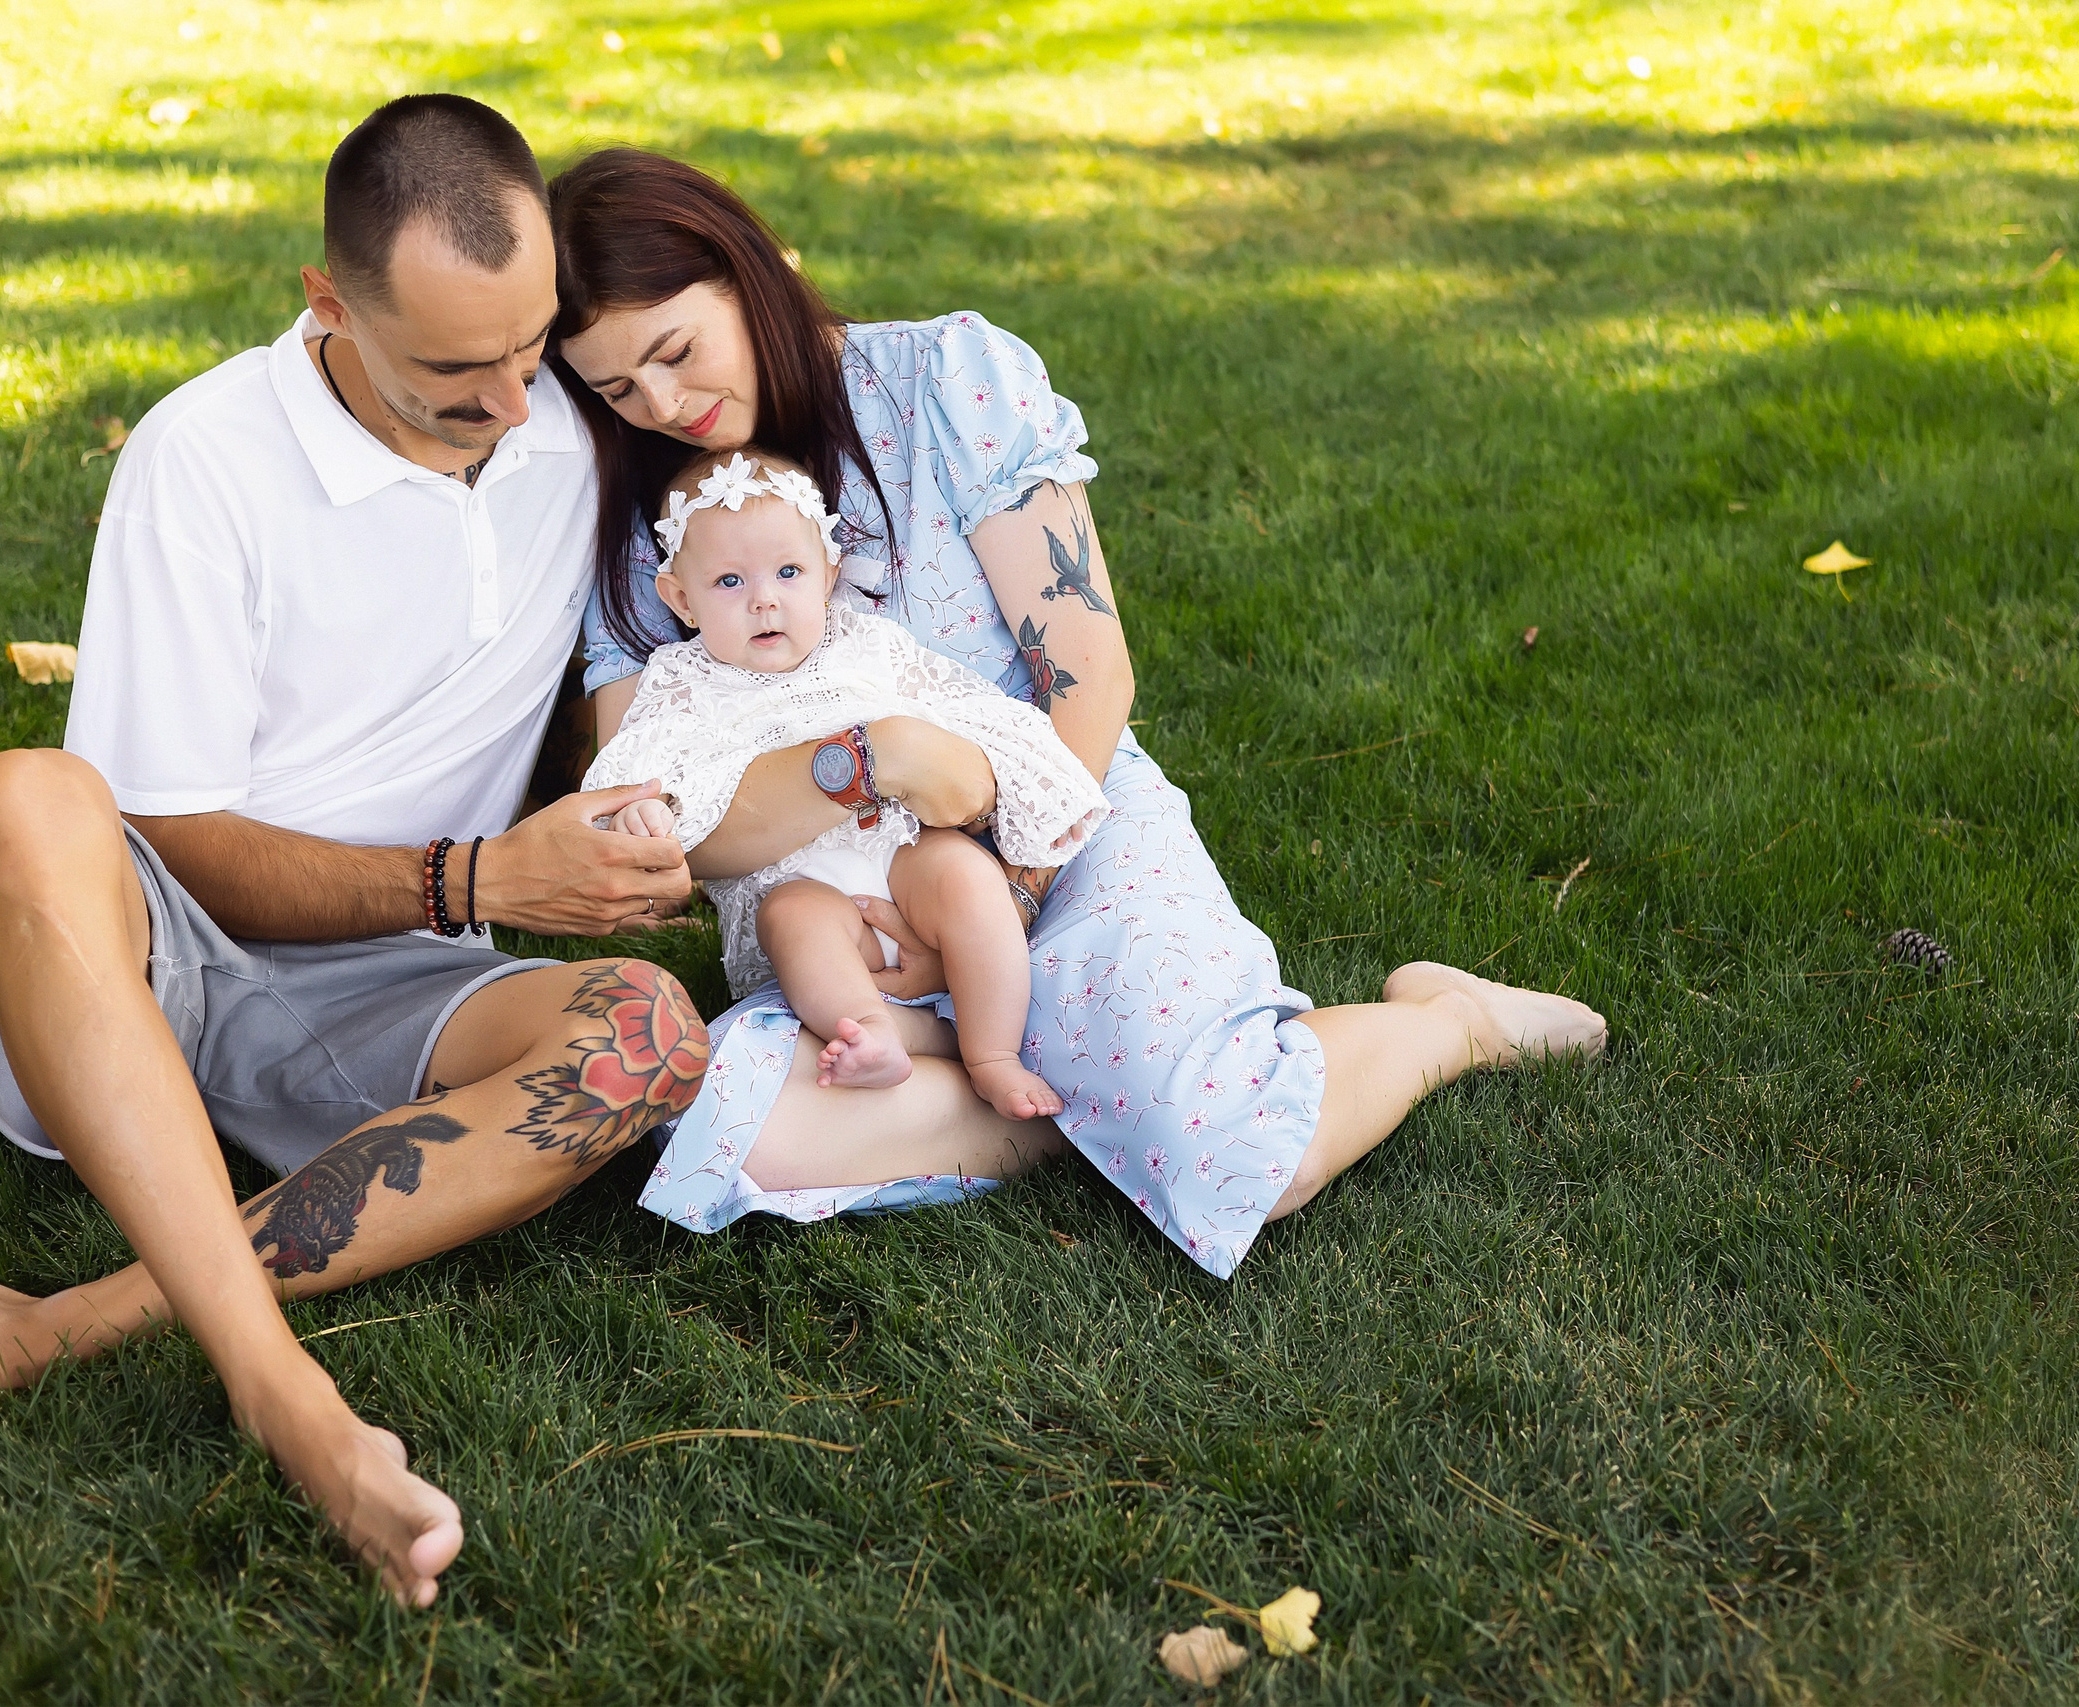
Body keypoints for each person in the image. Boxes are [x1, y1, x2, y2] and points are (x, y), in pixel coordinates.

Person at [0, 97, 707, 1609]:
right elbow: (172, 833)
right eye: (454, 371)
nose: (512, 398)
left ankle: (38, 1329)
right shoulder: (205, 456)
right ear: (330, 304)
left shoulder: (569, 419)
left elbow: (793, 385)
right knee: (26, 796)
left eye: (534, 342)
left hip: (397, 991)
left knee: (645, 1034)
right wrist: (478, 879)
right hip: (140, 957)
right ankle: (285, 1393)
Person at [549, 148, 1610, 1268]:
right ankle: (1098, 1102)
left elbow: (1087, 674)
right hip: (840, 932)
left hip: (1063, 819)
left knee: (1242, 1160)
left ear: (749, 268)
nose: (663, 406)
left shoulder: (944, 378)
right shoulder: (646, 521)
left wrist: (1002, 900)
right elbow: (654, 832)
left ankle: (1443, 1024)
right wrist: (866, 761)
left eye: (675, 352)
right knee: (718, 1114)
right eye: (616, 390)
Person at [587, 447, 1106, 1118]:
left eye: (789, 572)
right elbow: (640, 773)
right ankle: (873, 1030)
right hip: (793, 882)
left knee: (968, 879)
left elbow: (962, 708)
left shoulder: (868, 645)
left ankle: (993, 1054)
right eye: (729, 582)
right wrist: (646, 812)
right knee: (793, 918)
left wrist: (1031, 775)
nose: (764, 599)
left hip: (901, 852)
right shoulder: (683, 685)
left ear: (829, 573)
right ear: (681, 598)